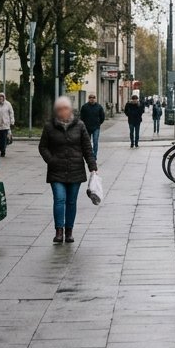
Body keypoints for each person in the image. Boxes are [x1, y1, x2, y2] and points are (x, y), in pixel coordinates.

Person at [39, 96, 97, 244]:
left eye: (65, 108)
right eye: (59, 109)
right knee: (59, 199)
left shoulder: (80, 125)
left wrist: (92, 167)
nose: (62, 111)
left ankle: (69, 231)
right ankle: (59, 231)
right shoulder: (49, 126)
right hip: (56, 170)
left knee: (71, 202)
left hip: (75, 169)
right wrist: (51, 160)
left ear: (70, 110)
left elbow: (87, 148)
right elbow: (43, 147)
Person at [80, 94, 106, 159]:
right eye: (90, 98)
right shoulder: (85, 107)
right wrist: (83, 124)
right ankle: (89, 154)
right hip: (87, 127)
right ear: (88, 99)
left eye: (93, 98)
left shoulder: (99, 107)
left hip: (96, 127)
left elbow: (102, 116)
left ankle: (94, 155)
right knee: (87, 142)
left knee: (95, 141)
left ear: (95, 99)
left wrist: (98, 123)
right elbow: (81, 117)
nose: (92, 99)